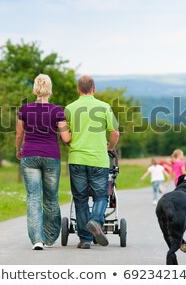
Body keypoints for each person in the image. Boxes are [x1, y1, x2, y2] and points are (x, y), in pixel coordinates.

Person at [16, 74, 71, 250]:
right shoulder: (57, 111)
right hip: (51, 157)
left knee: (33, 197)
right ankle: (49, 237)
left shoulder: (25, 109)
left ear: (35, 88)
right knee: (51, 198)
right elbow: (65, 137)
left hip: (30, 155)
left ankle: (37, 240)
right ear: (50, 89)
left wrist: (18, 149)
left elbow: (19, 134)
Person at [64, 75, 119, 249]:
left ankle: (86, 239)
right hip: (98, 159)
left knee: (80, 198)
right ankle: (95, 221)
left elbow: (66, 137)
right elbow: (115, 132)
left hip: (77, 158)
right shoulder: (104, 107)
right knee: (101, 196)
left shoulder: (69, 108)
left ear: (78, 90)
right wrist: (109, 146)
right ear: (94, 89)